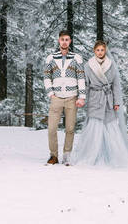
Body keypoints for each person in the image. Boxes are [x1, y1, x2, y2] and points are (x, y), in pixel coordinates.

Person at [72, 40, 128, 167]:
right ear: (94, 51)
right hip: (95, 99)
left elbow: (116, 85)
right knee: (94, 127)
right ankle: (92, 155)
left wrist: (117, 102)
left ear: (105, 50)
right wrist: (82, 97)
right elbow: (84, 83)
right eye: (98, 50)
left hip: (108, 99)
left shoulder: (111, 65)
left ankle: (112, 156)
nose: (100, 52)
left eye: (102, 50)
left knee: (110, 127)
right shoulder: (88, 65)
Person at [43, 30, 86, 165]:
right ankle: (53, 155)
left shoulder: (76, 58)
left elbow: (81, 77)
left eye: (67, 39)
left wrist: (82, 96)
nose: (64, 42)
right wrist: (51, 93)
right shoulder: (51, 58)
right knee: (51, 129)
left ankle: (67, 155)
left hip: (72, 97)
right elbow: (46, 77)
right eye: (62, 39)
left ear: (70, 41)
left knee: (70, 128)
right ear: (58, 40)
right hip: (56, 97)